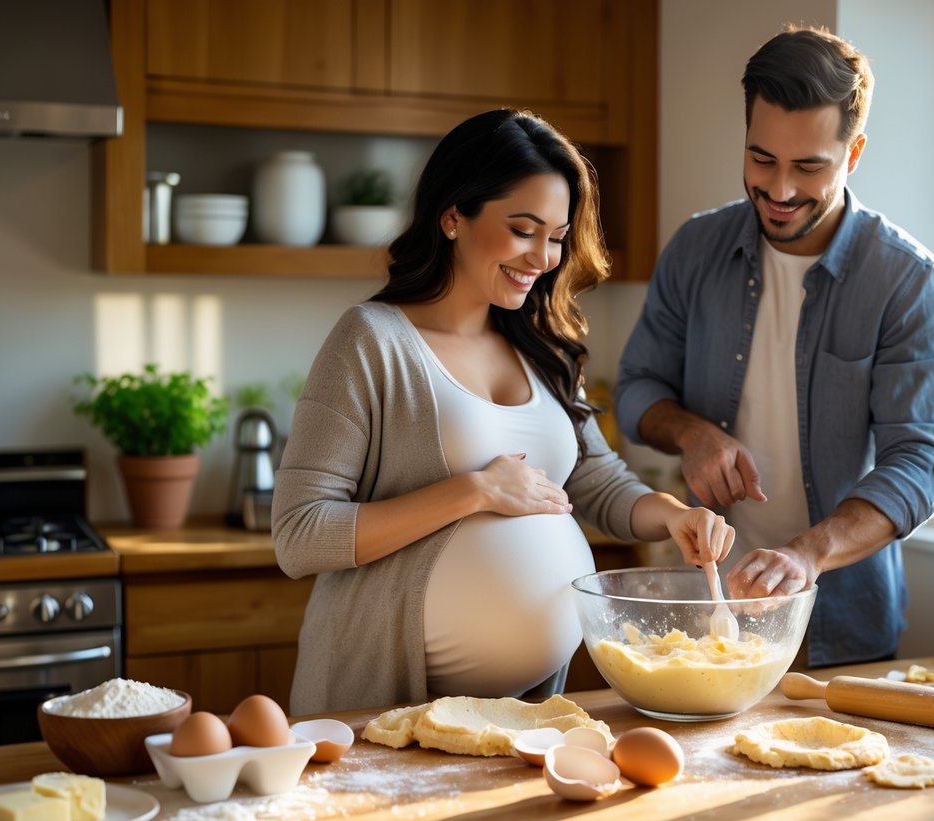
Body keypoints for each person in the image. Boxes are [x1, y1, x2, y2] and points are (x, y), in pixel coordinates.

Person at [272, 108, 735, 714]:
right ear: (452, 217)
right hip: (391, 707)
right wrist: (475, 491)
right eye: (522, 229)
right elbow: (299, 535)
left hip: (519, 716)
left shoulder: (543, 343)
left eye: (557, 236)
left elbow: (595, 481)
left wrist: (674, 516)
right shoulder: (372, 340)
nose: (543, 257)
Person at [616, 25, 934, 669]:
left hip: (844, 621)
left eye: (808, 166)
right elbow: (637, 386)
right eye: (761, 159)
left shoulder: (906, 280)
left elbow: (919, 463)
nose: (778, 190)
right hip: (707, 606)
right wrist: (692, 433)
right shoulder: (696, 249)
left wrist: (808, 555)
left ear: (853, 153)